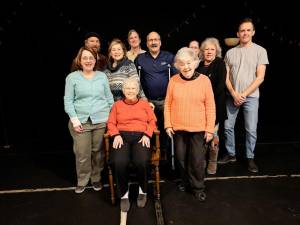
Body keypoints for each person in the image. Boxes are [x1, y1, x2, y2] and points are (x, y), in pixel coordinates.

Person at [164, 47, 215, 201]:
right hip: (178, 127)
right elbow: (167, 104)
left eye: (188, 63)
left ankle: (198, 187)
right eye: (182, 64)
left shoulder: (204, 81)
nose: (185, 67)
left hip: (198, 128)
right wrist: (168, 124)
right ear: (177, 66)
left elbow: (210, 106)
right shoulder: (173, 80)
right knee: (180, 158)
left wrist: (210, 129)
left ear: (195, 62)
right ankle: (185, 182)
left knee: (197, 159)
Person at [218, 18, 269, 173]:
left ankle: (250, 157)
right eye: (242, 30)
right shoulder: (230, 53)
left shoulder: (260, 51)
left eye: (248, 30)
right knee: (227, 127)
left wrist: (244, 94)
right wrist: (234, 93)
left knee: (251, 129)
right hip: (232, 96)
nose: (245, 33)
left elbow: (260, 77)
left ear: (253, 32)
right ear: (238, 34)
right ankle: (231, 154)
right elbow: (225, 76)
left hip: (251, 97)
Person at [64, 46, 114, 193]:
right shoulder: (72, 78)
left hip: (101, 120)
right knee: (82, 153)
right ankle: (83, 180)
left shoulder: (102, 76)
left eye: (91, 58)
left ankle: (96, 178)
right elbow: (68, 101)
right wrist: (75, 120)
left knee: (98, 152)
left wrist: (112, 118)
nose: (88, 60)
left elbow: (109, 98)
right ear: (79, 60)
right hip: (81, 122)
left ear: (95, 59)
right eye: (84, 58)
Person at [107, 77, 157, 212]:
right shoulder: (117, 105)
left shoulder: (145, 104)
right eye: (127, 88)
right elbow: (111, 123)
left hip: (141, 136)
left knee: (142, 161)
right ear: (123, 90)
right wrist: (115, 134)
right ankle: (124, 194)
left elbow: (153, 121)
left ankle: (143, 191)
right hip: (121, 136)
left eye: (133, 88)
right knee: (118, 161)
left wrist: (147, 134)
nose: (130, 91)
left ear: (137, 90)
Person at [135, 31, 177, 162]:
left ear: (160, 42)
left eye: (156, 40)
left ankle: (167, 157)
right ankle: (151, 157)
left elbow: (176, 78)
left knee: (167, 130)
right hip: (149, 102)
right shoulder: (140, 59)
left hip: (166, 101)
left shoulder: (169, 57)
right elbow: (135, 80)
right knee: (150, 131)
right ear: (146, 43)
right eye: (150, 40)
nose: (153, 42)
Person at [197, 37, 227, 175]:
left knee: (213, 134)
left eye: (212, 49)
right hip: (199, 108)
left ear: (217, 51)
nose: (209, 52)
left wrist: (207, 101)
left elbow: (220, 86)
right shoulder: (198, 66)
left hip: (215, 106)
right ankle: (202, 160)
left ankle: (212, 161)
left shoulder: (220, 63)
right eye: (207, 49)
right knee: (202, 135)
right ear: (202, 51)